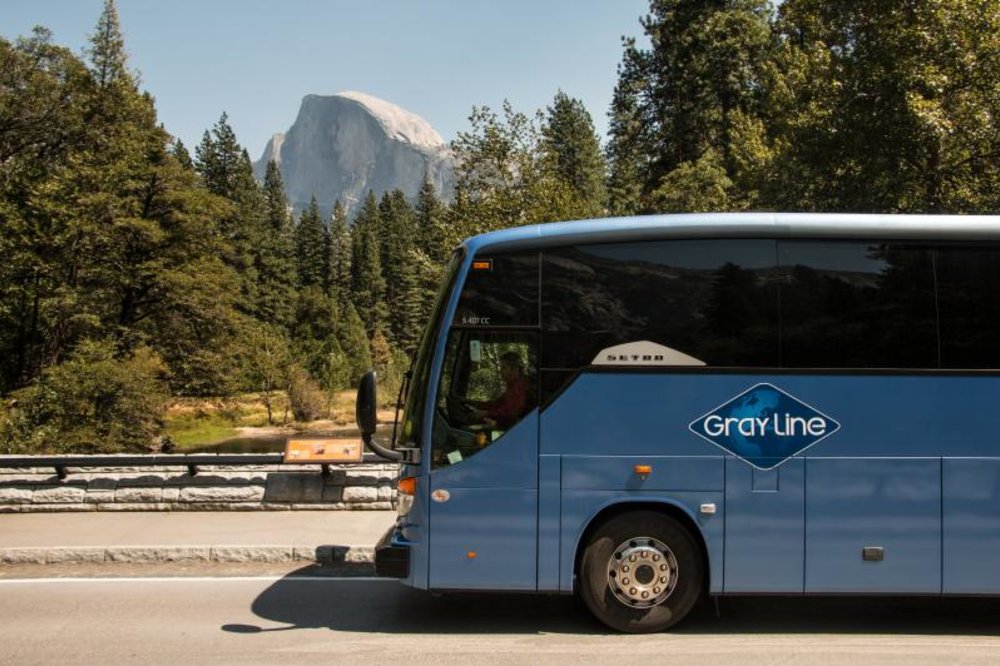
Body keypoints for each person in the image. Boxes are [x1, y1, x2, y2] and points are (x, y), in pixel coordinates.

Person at [465, 351, 530, 429]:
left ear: (514, 369)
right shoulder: (512, 386)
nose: (501, 371)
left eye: (504, 368)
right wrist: (472, 403)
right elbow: (497, 403)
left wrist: (487, 414)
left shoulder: (519, 387)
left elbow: (511, 411)